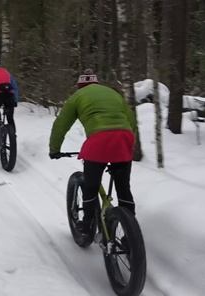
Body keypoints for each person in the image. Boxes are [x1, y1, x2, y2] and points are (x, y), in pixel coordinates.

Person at [48, 69, 138, 241]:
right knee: (123, 188)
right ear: (97, 83)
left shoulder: (78, 96)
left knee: (91, 186)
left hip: (98, 141)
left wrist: (54, 149)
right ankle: (131, 233)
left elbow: (61, 124)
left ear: (79, 85)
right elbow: (132, 122)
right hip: (124, 139)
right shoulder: (114, 93)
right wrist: (126, 146)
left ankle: (87, 223)